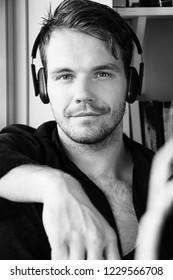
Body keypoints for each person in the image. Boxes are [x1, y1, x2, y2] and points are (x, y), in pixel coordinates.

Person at [0, 0, 172, 260]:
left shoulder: (163, 183)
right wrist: (55, 186)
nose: (83, 95)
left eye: (102, 73)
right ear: (44, 87)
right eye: (65, 76)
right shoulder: (22, 153)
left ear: (131, 83)